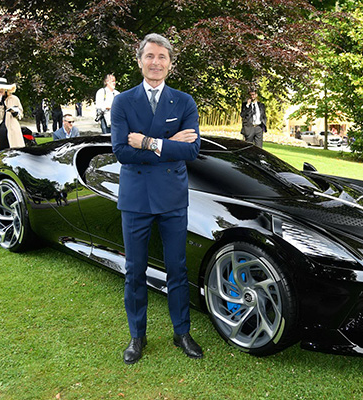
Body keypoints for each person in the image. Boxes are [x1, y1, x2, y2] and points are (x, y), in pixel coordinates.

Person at [111, 33, 202, 365]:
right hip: (135, 198)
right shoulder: (123, 102)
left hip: (172, 197)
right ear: (139, 61)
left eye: (162, 57)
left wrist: (148, 142)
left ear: (170, 64)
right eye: (150, 56)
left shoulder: (184, 102)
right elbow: (122, 152)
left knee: (177, 268)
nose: (156, 62)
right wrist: (170, 144)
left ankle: (182, 333)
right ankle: (137, 336)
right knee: (135, 270)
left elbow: (192, 150)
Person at [0, 78, 25, 153]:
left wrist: (15, 113)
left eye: (1, 88)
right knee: (0, 152)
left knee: (15, 152)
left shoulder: (14, 99)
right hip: (0, 131)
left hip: (13, 130)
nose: (0, 90)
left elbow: (20, 114)